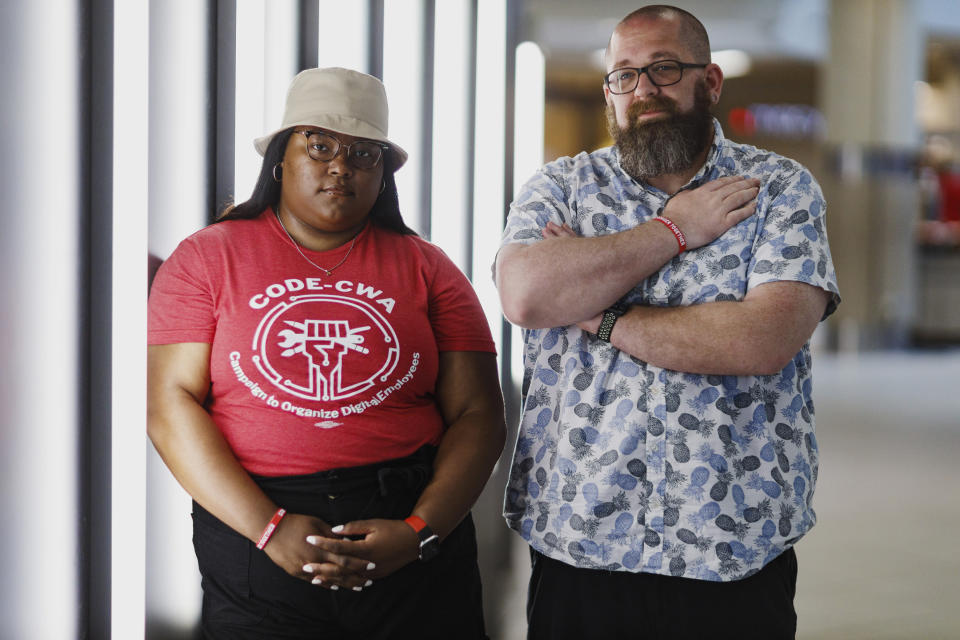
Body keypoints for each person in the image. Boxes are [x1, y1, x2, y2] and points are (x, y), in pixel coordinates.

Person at [495, 6, 840, 639]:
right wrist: (672, 230)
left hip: (732, 541)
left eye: (663, 68)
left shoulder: (778, 190)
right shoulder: (560, 187)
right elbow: (524, 294)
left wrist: (598, 313)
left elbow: (760, 340)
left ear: (709, 82)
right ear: (609, 94)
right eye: (623, 75)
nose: (643, 89)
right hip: (582, 536)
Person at [148, 67, 505, 639]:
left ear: (383, 173)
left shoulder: (429, 268)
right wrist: (268, 528)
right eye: (320, 145)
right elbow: (170, 405)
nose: (342, 165)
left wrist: (419, 531)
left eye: (366, 153)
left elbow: (479, 414)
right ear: (280, 158)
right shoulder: (206, 259)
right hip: (256, 530)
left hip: (409, 531)